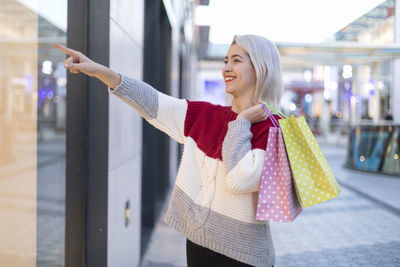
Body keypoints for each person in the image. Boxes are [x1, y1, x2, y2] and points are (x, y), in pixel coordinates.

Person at [54, 34, 283, 267]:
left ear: (260, 68)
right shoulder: (205, 115)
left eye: (236, 60)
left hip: (245, 255)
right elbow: (152, 101)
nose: (227, 68)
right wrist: (98, 71)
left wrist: (242, 123)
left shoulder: (272, 128)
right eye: (225, 60)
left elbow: (241, 179)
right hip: (199, 244)